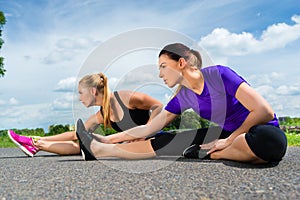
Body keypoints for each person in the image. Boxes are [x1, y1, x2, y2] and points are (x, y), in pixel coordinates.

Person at [76, 43, 287, 164]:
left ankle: (210, 152)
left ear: (181, 63)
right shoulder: (183, 97)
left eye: (163, 67)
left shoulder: (219, 75)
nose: (160, 74)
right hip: (226, 135)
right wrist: (107, 140)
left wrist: (229, 141)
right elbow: (149, 128)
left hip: (259, 132)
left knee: (268, 141)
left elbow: (264, 111)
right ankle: (99, 150)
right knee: (166, 140)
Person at [8, 73, 163, 157]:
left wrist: (146, 131)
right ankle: (36, 145)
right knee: (82, 144)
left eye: (81, 93)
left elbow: (158, 105)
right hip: (127, 145)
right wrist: (41, 138)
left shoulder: (125, 97)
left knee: (94, 144)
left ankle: (35, 143)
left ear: (93, 91)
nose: (79, 98)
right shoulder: (103, 113)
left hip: (152, 140)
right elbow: (77, 134)